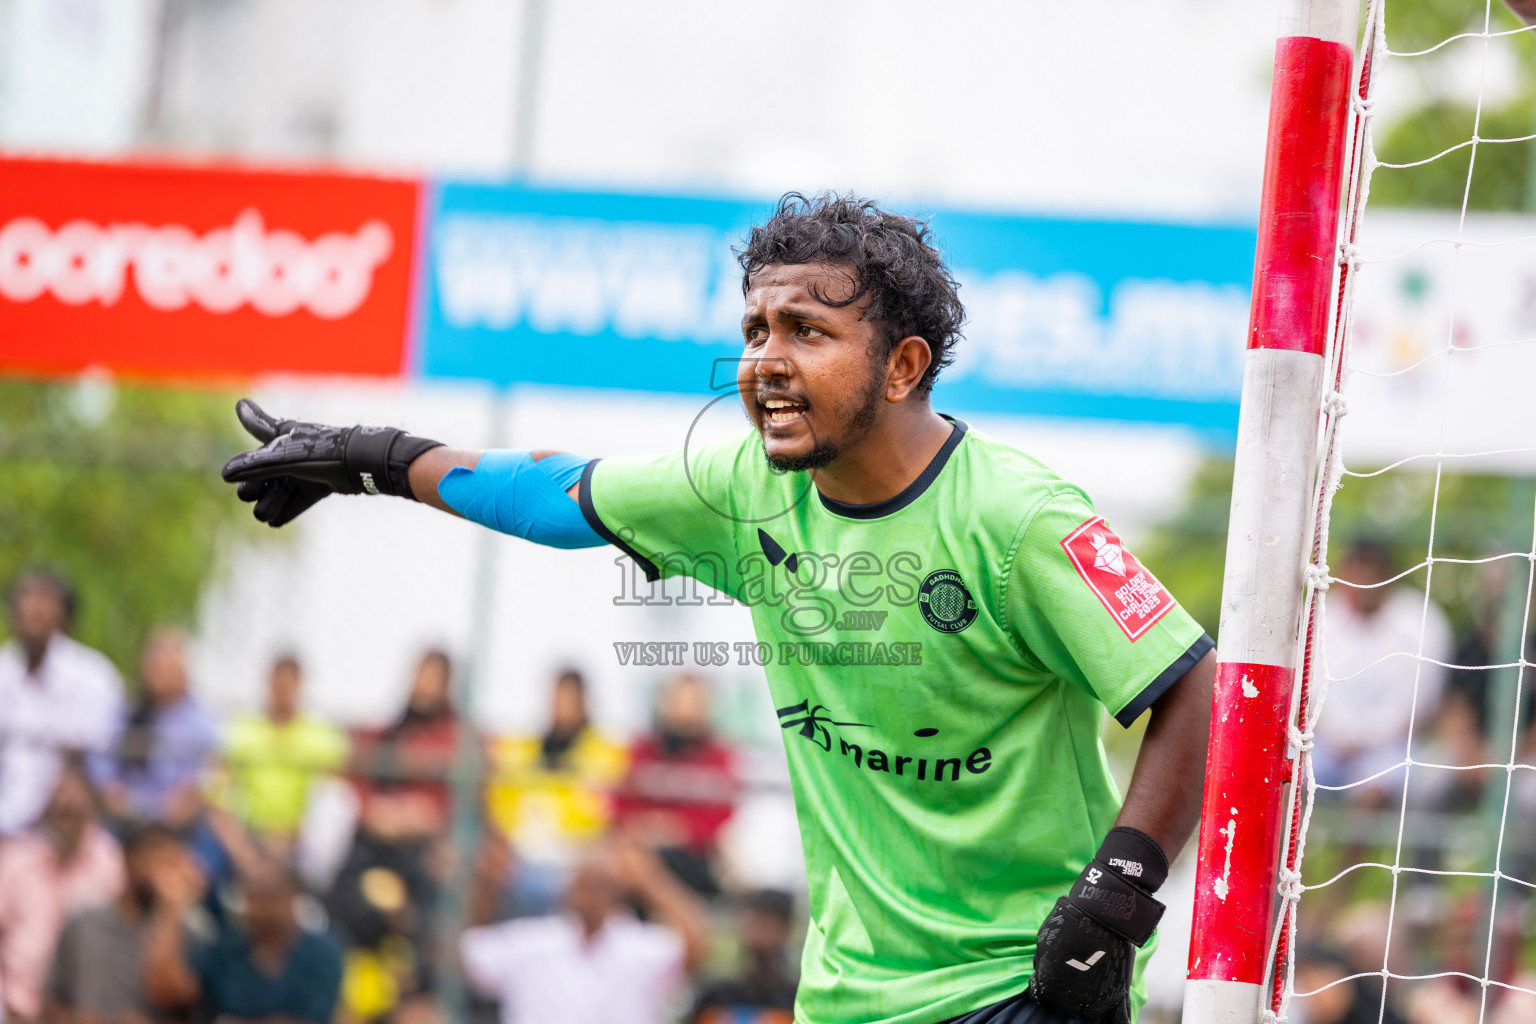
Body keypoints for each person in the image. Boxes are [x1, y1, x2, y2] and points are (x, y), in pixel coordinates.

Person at [223, 192, 1218, 1024]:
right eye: (756, 330)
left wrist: (1116, 894)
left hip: (1021, 985)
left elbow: (1192, 686)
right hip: (847, 996)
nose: (766, 360)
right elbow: (553, 493)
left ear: (905, 366)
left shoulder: (1018, 516)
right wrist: (376, 458)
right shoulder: (744, 487)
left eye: (808, 332)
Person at [459, 836, 709, 1024]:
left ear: (618, 891)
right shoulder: (533, 940)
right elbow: (468, 951)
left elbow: (697, 945)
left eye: (602, 884)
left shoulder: (641, 946)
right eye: (585, 884)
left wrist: (649, 880)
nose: (592, 895)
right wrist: (487, 884)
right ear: (568, 888)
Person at [1313, 539, 1452, 802]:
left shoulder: (1419, 623)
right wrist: (1339, 739)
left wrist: (1364, 742)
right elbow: (1311, 696)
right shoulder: (1323, 617)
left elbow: (1417, 708)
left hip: (1392, 749)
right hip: (1327, 745)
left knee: (1373, 789)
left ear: (1387, 577)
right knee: (1284, 775)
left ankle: (1355, 844)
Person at [141, 859, 343, 1024]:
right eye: (252, 898)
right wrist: (172, 906)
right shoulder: (229, 945)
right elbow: (169, 989)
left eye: (270, 898)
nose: (260, 909)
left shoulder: (322, 953)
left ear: (293, 897)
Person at [0, 758, 124, 1022]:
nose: (67, 817)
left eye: (75, 810)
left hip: (83, 1009)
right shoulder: (16, 859)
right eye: (61, 808)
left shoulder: (108, 860)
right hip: (16, 1002)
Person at [0, 571, 123, 836]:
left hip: (69, 825)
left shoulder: (93, 676)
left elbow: (97, 759)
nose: (34, 610)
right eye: (26, 600)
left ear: (65, 614)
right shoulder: (4, 669)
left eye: (44, 602)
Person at [45, 822, 202, 1024]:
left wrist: (171, 909)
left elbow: (186, 1002)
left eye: (172, 862)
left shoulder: (192, 935)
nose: (162, 873)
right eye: (157, 859)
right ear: (129, 858)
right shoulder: (84, 924)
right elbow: (50, 1004)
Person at [613, 673, 739, 896]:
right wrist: (645, 826)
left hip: (695, 855)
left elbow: (722, 815)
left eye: (692, 703)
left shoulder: (719, 756)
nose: (684, 711)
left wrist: (678, 829)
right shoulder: (642, 750)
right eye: (678, 701)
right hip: (641, 846)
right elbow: (621, 802)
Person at [487, 668, 627, 861]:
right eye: (559, 698)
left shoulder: (605, 752)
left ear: (584, 701)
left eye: (570, 700)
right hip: (520, 844)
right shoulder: (522, 748)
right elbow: (501, 797)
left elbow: (600, 809)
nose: (562, 706)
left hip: (576, 850)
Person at [218, 653, 349, 847]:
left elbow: (332, 791)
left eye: (289, 684)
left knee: (335, 800)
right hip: (250, 831)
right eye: (278, 684)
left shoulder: (322, 736)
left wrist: (296, 831)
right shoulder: (241, 731)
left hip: (302, 837)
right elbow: (220, 788)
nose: (283, 691)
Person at [96, 627, 220, 829]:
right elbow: (101, 763)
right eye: (155, 663)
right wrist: (112, 791)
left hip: (184, 826)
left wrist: (187, 801)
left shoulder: (204, 722)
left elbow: (212, 774)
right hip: (124, 821)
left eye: (168, 665)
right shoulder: (125, 712)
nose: (161, 672)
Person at [689, 888, 798, 1024]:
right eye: (755, 922)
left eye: (770, 924)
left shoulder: (797, 1000)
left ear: (786, 929)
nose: (761, 932)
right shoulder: (716, 997)